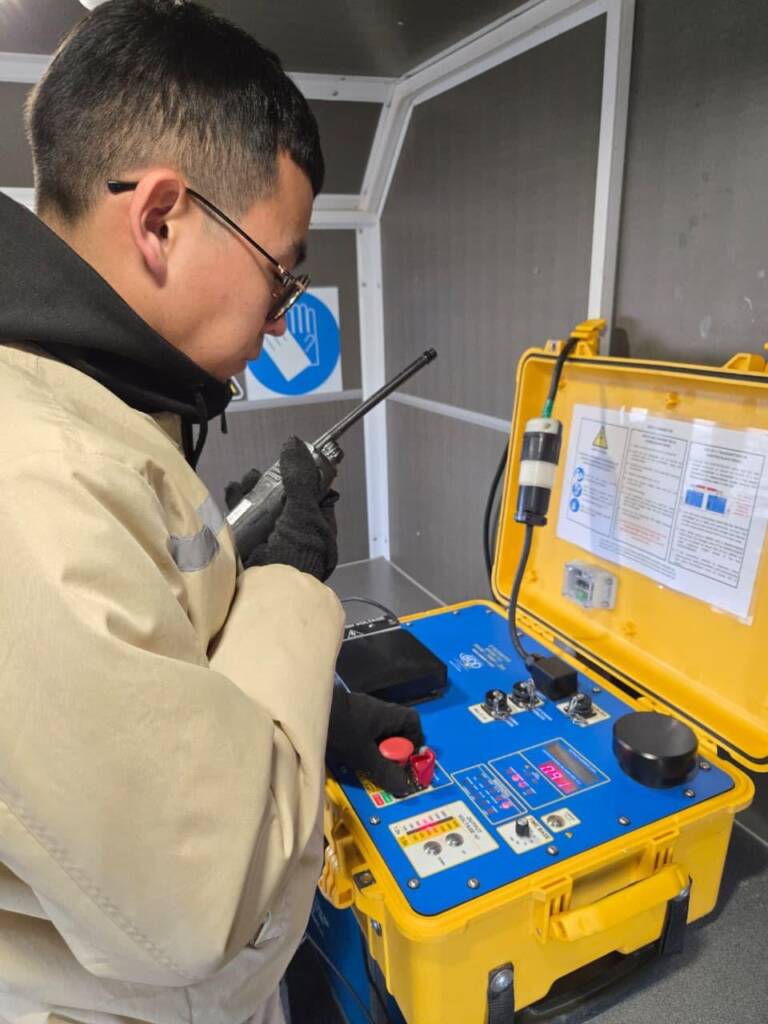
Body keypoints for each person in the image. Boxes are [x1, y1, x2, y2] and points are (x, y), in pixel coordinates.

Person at [0, 2, 422, 1022]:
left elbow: (148, 654)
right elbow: (204, 892)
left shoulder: (95, 403)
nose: (280, 323)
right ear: (159, 219)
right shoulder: (32, 471)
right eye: (281, 275)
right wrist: (284, 585)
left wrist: (305, 713)